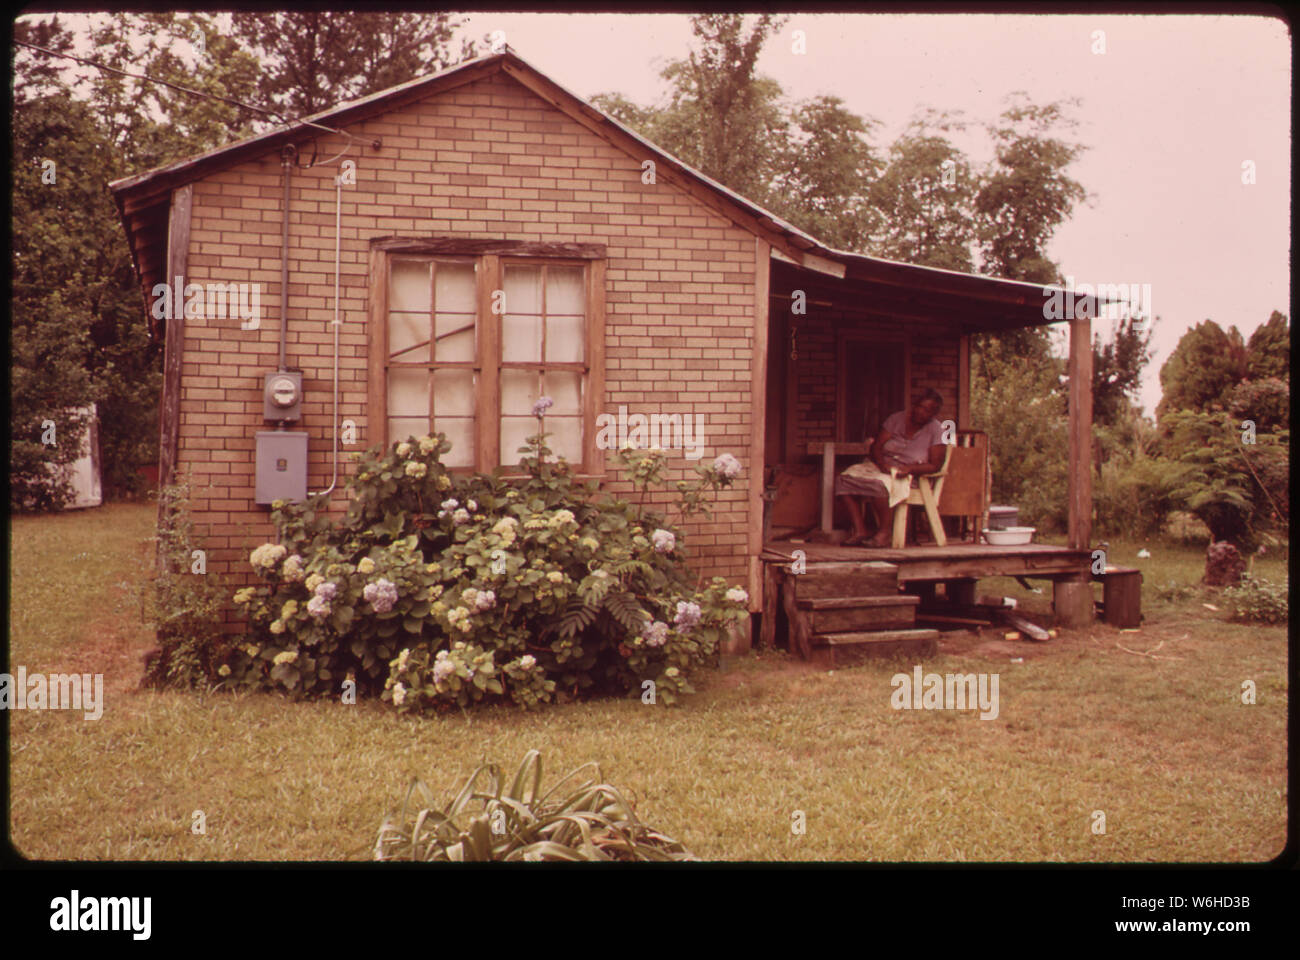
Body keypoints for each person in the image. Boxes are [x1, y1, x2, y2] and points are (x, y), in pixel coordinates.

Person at [836, 389, 947, 547]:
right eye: (920, 406)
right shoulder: (896, 419)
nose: (921, 412)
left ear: (933, 414)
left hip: (911, 476)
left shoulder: (937, 430)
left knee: (880, 485)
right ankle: (860, 530)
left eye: (927, 410)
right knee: (843, 480)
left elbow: (935, 465)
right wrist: (882, 464)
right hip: (882, 467)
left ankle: (884, 532)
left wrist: (909, 468)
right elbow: (876, 447)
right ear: (915, 405)